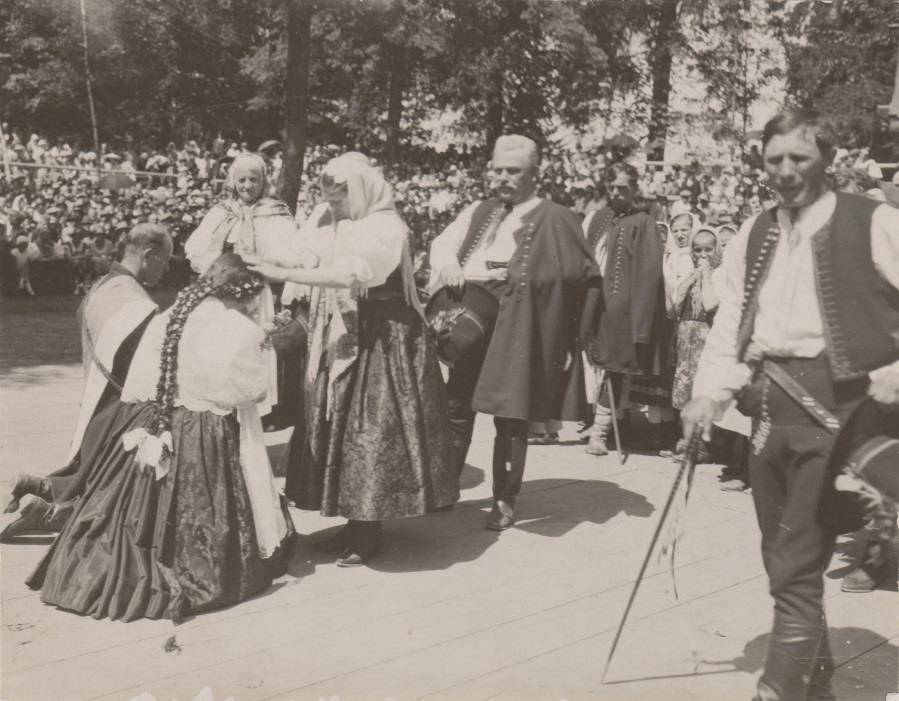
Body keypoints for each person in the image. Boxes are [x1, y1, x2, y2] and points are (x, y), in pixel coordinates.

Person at [682, 109, 899, 701]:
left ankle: (776, 690)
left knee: (798, 560)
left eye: (798, 158)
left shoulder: (874, 221)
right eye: (773, 159)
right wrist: (709, 392)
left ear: (826, 158)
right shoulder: (753, 232)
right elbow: (731, 323)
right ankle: (818, 685)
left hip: (845, 413)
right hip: (769, 411)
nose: (783, 171)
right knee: (781, 557)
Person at [28, 254, 292, 621]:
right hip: (205, 434)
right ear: (244, 294)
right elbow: (248, 392)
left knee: (130, 511)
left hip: (157, 421)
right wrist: (265, 349)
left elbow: (142, 383)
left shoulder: (171, 315)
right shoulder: (237, 327)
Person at [250, 152, 457, 566]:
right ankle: (353, 520)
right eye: (328, 200)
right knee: (336, 422)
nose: (332, 207)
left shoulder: (384, 225)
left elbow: (351, 274)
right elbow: (305, 251)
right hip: (344, 329)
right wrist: (268, 261)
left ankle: (370, 529)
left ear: (359, 192)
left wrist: (280, 273)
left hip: (384, 335)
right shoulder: (338, 219)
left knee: (372, 427)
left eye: (339, 200)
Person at [428, 135, 599, 530]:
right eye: (498, 169)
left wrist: (525, 279)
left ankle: (505, 498)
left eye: (514, 171)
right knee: (456, 406)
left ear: (535, 174)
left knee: (510, 414)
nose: (503, 178)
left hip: (518, 326)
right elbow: (441, 245)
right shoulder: (479, 210)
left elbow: (579, 277)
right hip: (471, 323)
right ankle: (444, 487)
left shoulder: (555, 217)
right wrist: (452, 264)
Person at [1, 224, 173, 541]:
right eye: (165, 260)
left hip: (97, 395)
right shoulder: (135, 301)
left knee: (95, 465)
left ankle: (40, 490)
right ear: (149, 255)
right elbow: (144, 365)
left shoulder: (104, 284)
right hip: (120, 403)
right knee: (123, 478)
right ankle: (52, 506)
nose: (166, 270)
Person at [185, 152, 301, 417]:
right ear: (232, 181)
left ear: (264, 180)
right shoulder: (222, 211)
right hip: (221, 292)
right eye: (242, 180)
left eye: (253, 179)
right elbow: (196, 250)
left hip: (257, 292)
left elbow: (289, 256)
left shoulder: (276, 211)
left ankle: (254, 410)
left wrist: (257, 264)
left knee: (252, 345)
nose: (247, 186)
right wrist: (217, 268)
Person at [581, 162, 666, 456]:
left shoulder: (644, 222)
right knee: (596, 366)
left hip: (623, 309)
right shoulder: (598, 218)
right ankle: (603, 422)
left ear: (634, 189)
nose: (616, 193)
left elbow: (649, 273)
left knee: (614, 368)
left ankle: (601, 432)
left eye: (623, 188)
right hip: (594, 303)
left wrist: (640, 324)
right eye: (611, 187)